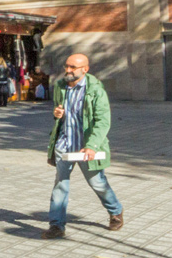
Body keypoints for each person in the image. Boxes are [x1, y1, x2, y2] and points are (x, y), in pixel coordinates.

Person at [42, 53, 124, 239]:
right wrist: (56, 113)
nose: (68, 70)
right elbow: (59, 113)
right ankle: (56, 225)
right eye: (67, 66)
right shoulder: (60, 86)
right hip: (64, 144)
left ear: (85, 69)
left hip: (86, 147)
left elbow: (103, 121)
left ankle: (116, 211)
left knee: (97, 183)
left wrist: (92, 146)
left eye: (73, 67)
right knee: (60, 185)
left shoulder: (96, 90)